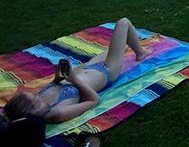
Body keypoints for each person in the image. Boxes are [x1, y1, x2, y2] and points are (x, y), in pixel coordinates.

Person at [2, 18, 149, 124]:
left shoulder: (36, 104)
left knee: (121, 46)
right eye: (36, 99)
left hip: (86, 69)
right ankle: (140, 52)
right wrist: (74, 80)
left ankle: (129, 45)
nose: (38, 96)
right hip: (107, 71)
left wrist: (57, 79)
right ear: (33, 112)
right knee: (123, 23)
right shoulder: (58, 112)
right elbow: (94, 101)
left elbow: (57, 87)